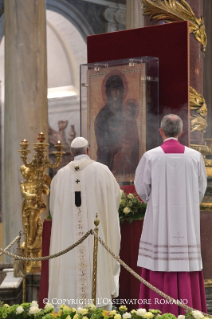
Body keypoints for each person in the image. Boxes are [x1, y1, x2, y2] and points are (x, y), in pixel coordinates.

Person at [134, 114, 207, 315]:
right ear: (181, 132)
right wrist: (188, 205)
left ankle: (156, 310)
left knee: (158, 259)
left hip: (159, 223)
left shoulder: (150, 156)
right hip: (186, 223)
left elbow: (141, 188)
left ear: (161, 131)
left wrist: (156, 203)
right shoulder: (195, 157)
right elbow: (201, 189)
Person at [48, 137, 121, 310]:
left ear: (72, 153)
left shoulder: (59, 176)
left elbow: (53, 210)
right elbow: (115, 199)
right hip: (95, 237)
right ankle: (99, 309)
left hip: (68, 243)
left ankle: (67, 309)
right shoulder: (102, 171)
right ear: (89, 150)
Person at [94, 75, 139, 176]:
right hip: (108, 157)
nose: (116, 93)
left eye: (118, 90)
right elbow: (101, 142)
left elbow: (134, 137)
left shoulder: (127, 110)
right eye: (113, 90)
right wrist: (114, 146)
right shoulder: (102, 115)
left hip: (126, 153)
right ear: (108, 92)